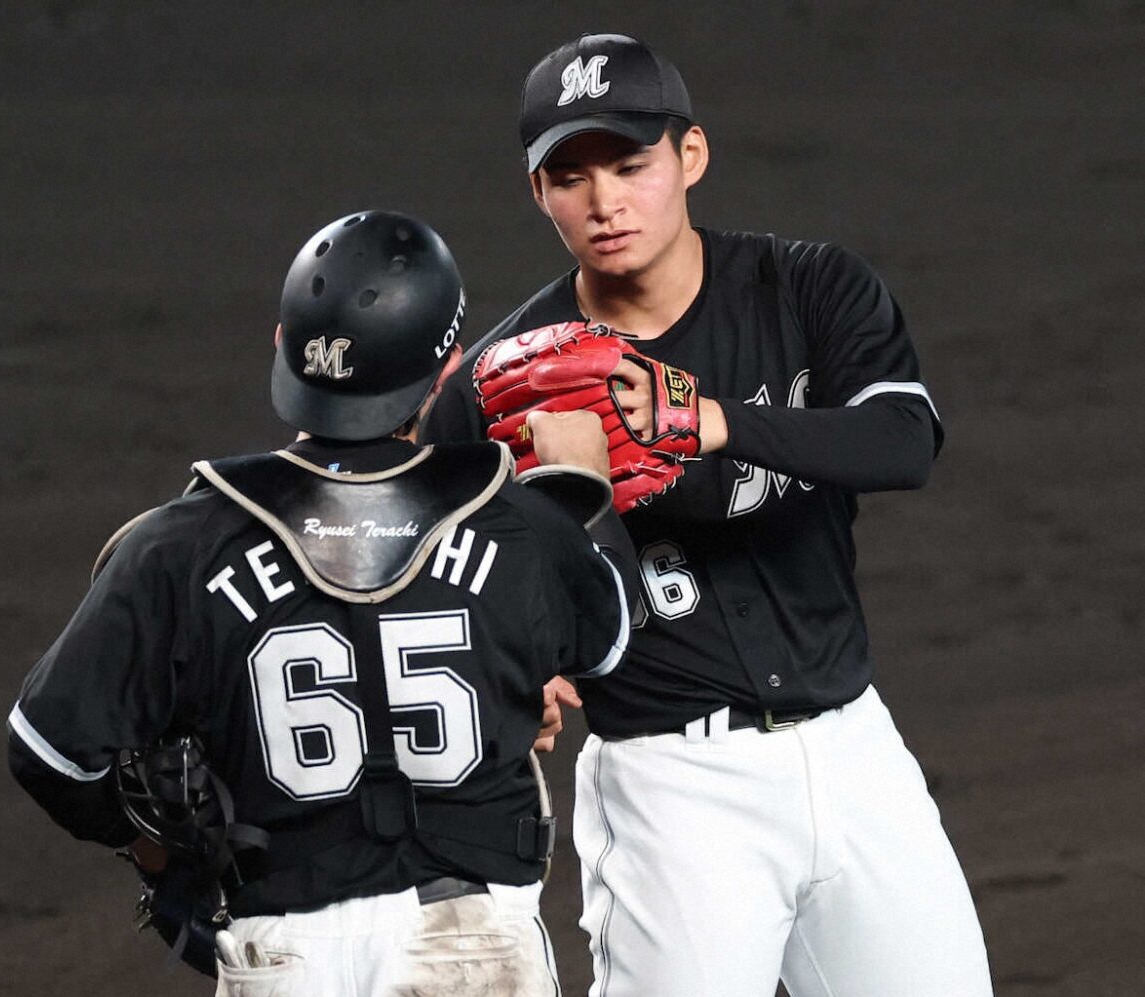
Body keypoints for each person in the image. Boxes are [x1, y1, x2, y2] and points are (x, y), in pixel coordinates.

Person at [420, 33, 994, 997]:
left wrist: (709, 421)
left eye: (629, 164)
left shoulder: (808, 288)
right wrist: (509, 666)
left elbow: (902, 442)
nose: (604, 202)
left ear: (691, 155)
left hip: (854, 753)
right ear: (538, 192)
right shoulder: (504, 385)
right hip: (672, 791)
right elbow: (428, 567)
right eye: (570, 176)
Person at [7, 209, 637, 996]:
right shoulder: (517, 526)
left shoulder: (177, 544)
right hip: (471, 946)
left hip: (285, 954)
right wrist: (578, 491)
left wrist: (153, 850)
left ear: (283, 346)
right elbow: (611, 634)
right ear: (445, 371)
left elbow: (48, 753)